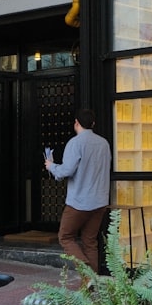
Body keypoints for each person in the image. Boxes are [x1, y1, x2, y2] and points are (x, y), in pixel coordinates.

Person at [45, 108, 111, 273]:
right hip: (100, 201)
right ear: (93, 124)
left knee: (65, 237)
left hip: (79, 201)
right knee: (90, 241)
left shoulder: (75, 143)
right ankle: (92, 284)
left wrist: (51, 166)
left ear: (76, 123)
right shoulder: (104, 143)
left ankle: (86, 272)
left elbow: (66, 171)